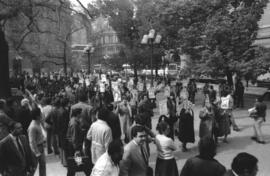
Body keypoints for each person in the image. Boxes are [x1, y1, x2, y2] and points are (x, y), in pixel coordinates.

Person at [66, 108, 91, 176]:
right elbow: (74, 137)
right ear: (78, 114)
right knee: (77, 163)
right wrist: (77, 149)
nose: (82, 114)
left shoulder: (73, 120)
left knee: (76, 163)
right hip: (75, 146)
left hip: (74, 145)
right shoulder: (74, 123)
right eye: (81, 113)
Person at [28, 107, 46, 176]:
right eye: (41, 114)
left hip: (40, 147)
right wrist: (37, 153)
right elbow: (32, 141)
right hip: (36, 149)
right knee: (33, 168)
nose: (42, 115)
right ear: (38, 116)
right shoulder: (33, 126)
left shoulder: (38, 123)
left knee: (42, 166)